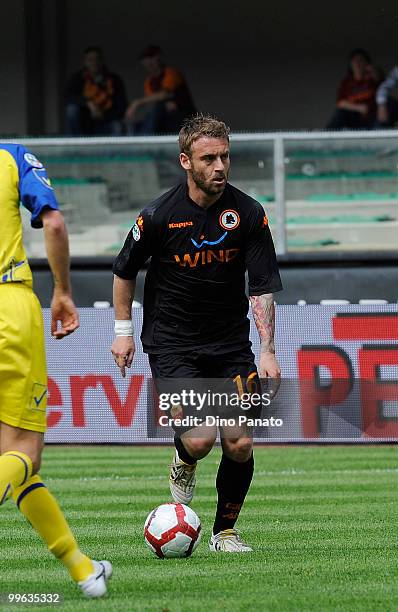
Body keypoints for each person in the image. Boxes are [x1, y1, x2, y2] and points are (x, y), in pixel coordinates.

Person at [112, 114, 282, 552]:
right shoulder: (157, 216)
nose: (220, 166)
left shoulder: (248, 213)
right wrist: (123, 331)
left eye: (225, 156)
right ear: (186, 161)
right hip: (173, 342)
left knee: (240, 442)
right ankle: (183, 458)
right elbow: (124, 271)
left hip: (230, 344)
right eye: (209, 158)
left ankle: (225, 532)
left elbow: (260, 288)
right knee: (202, 438)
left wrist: (267, 350)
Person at [0, 144, 112, 597]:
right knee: (25, 449)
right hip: (9, 306)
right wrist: (63, 290)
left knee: (18, 463)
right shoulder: (11, 157)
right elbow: (56, 222)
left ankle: (83, 569)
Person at [125, 45, 196, 135]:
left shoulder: (171, 72)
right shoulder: (149, 81)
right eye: (146, 59)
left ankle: (147, 138)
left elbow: (165, 94)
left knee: (162, 107)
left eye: (152, 58)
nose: (149, 62)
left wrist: (137, 102)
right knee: (137, 126)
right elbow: (153, 103)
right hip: (164, 120)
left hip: (183, 119)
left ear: (158, 58)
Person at [65, 46, 127, 135]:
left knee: (118, 126)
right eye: (90, 60)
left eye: (97, 59)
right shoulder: (77, 78)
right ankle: (75, 146)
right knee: (71, 110)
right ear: (85, 62)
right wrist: (89, 103)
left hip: (106, 123)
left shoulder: (114, 80)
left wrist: (103, 115)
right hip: (83, 125)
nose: (94, 62)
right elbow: (68, 97)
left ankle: (115, 149)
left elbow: (122, 106)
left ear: (102, 61)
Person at [326, 48, 381, 130]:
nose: (357, 63)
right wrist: (359, 107)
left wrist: (371, 69)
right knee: (340, 112)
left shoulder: (372, 78)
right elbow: (340, 102)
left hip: (372, 117)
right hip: (354, 118)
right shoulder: (347, 82)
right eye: (355, 61)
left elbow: (380, 79)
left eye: (361, 60)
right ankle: (327, 135)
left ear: (367, 64)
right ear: (350, 64)